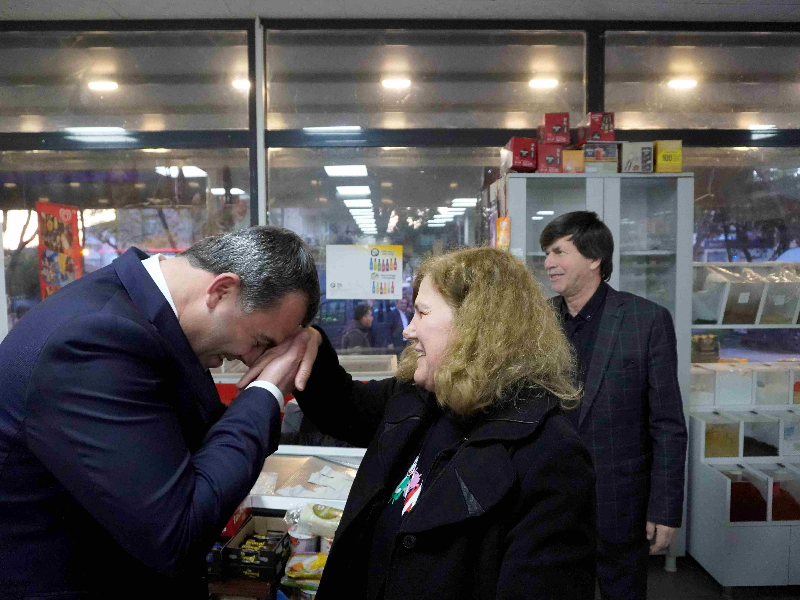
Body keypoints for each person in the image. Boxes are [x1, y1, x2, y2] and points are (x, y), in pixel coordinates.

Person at [241, 246, 596, 600]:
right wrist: (311, 341)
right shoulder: (421, 397)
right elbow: (343, 407)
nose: (409, 331)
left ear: (478, 327)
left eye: (422, 314)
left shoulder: (549, 454)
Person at [0, 226, 321, 599]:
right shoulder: (94, 341)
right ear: (221, 290)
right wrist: (266, 393)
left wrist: (304, 339)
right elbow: (177, 532)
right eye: (261, 341)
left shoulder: (144, 316)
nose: (254, 358)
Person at [539, 211, 688, 600]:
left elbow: (667, 424)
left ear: (594, 258)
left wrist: (665, 509)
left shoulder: (645, 320)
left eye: (558, 252)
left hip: (620, 505)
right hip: (549, 505)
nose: (548, 263)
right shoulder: (538, 322)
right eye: (546, 253)